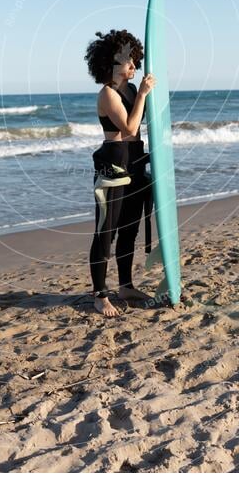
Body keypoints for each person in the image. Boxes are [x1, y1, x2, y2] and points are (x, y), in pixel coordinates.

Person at [84, 29, 156, 317]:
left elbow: (148, 116)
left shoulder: (128, 89)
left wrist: (145, 93)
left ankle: (125, 285)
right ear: (114, 61)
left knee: (130, 229)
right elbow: (129, 127)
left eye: (136, 62)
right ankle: (100, 295)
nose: (134, 67)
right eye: (130, 62)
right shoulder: (108, 94)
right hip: (113, 167)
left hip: (135, 162)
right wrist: (142, 94)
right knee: (106, 232)